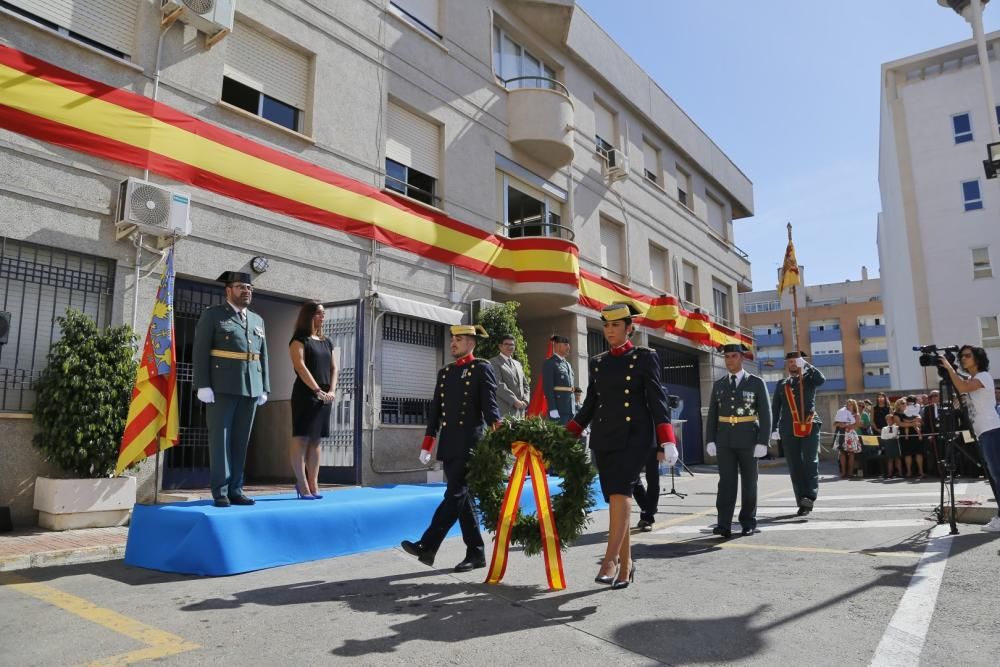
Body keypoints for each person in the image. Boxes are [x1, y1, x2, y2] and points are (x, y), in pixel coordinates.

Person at [567, 303, 678, 589]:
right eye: (606, 325)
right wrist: (568, 432)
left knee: (622, 493)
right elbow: (592, 403)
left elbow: (657, 399)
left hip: (635, 436)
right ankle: (627, 565)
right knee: (616, 502)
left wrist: (667, 438)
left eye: (615, 325)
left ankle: (610, 559)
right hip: (605, 437)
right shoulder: (599, 362)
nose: (609, 331)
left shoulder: (644, 357)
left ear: (629, 328)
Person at [401, 324, 501, 571]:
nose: (453, 343)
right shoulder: (445, 373)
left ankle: (428, 545)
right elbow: (435, 411)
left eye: (458, 339)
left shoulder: (482, 368)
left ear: (471, 343)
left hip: (470, 444)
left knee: (454, 494)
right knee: (463, 500)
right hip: (448, 444)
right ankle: (476, 553)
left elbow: (490, 408)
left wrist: (503, 439)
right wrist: (428, 443)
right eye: (452, 339)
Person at [193, 271, 270, 507]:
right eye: (240, 287)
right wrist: (203, 384)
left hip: (250, 387)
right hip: (222, 387)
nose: (246, 291)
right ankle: (221, 491)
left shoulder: (257, 320)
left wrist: (264, 386)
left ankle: (237, 489)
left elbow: (262, 354)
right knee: (220, 440)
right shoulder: (214, 316)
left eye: (249, 287)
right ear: (228, 291)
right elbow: (200, 350)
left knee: (240, 441)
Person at [704, 343, 771, 538]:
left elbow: (765, 414)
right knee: (726, 483)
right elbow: (713, 415)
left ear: (742, 358)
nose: (730, 360)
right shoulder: (719, 384)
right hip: (724, 440)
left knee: (749, 482)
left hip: (749, 439)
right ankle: (723, 524)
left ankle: (748, 522)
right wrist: (710, 439)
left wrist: (763, 441)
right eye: (727, 357)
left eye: (733, 356)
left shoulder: (756, 383)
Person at [938, 346, 1000, 532]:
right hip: (983, 432)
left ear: (978, 359)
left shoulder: (984, 376)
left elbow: (963, 387)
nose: (963, 359)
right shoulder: (973, 380)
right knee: (993, 476)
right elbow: (962, 395)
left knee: (997, 475)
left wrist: (950, 368)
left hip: (992, 429)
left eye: (967, 356)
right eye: (961, 356)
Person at [288, 301, 337, 500]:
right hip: (306, 394)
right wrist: (316, 389)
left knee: (316, 440)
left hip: (325, 396)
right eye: (318, 313)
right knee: (301, 438)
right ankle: (302, 484)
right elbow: (300, 367)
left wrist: (332, 390)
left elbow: (334, 368)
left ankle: (314, 484)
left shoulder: (327, 341)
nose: (322, 316)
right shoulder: (299, 339)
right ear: (308, 315)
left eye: (323, 313)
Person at [770, 351, 825, 516]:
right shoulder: (781, 384)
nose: (793, 364)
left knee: (810, 461)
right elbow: (775, 408)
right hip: (788, 428)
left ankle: (810, 495)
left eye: (796, 361)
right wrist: (773, 429)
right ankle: (802, 500)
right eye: (790, 361)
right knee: (795, 465)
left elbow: (821, 379)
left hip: (809, 424)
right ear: (787, 364)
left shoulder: (809, 379)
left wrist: (807, 365)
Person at [489, 335, 529, 419]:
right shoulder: (494, 362)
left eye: (512, 345)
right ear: (500, 346)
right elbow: (498, 384)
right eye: (506, 344)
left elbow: (525, 384)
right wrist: (514, 401)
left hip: (520, 412)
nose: (510, 347)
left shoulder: (518, 364)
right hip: (505, 410)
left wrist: (525, 400)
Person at [543, 335, 576, 424]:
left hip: (570, 410)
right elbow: (548, 389)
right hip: (559, 409)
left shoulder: (567, 364)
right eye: (565, 344)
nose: (568, 347)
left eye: (568, 344)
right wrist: (553, 409)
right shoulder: (550, 363)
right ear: (557, 345)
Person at [834, 399, 862, 480]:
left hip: (851, 435)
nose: (848, 406)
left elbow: (856, 426)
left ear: (854, 406)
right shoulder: (841, 413)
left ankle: (850, 472)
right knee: (841, 453)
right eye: (847, 404)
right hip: (842, 434)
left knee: (851, 453)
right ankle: (843, 472)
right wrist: (839, 424)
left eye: (850, 404)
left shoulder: (856, 415)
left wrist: (845, 425)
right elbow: (834, 424)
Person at [921, 390, 942, 477]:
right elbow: (926, 423)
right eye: (931, 396)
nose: (933, 398)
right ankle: (936, 472)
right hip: (932, 434)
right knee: (934, 453)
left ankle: (948, 471)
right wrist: (929, 435)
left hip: (943, 433)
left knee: (944, 452)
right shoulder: (927, 408)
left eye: (935, 395)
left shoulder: (945, 406)